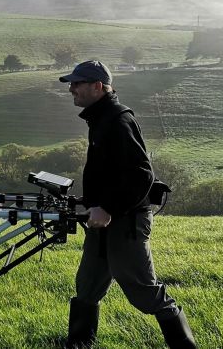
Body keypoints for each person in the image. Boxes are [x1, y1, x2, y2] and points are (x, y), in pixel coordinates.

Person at [59, 60, 196, 349]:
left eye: (77, 83)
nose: (71, 89)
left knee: (143, 291)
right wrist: (90, 203)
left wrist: (107, 208)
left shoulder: (118, 120)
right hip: (103, 219)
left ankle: (185, 346)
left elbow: (141, 174)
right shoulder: (99, 118)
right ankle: (79, 344)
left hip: (125, 221)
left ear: (97, 86)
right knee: (87, 286)